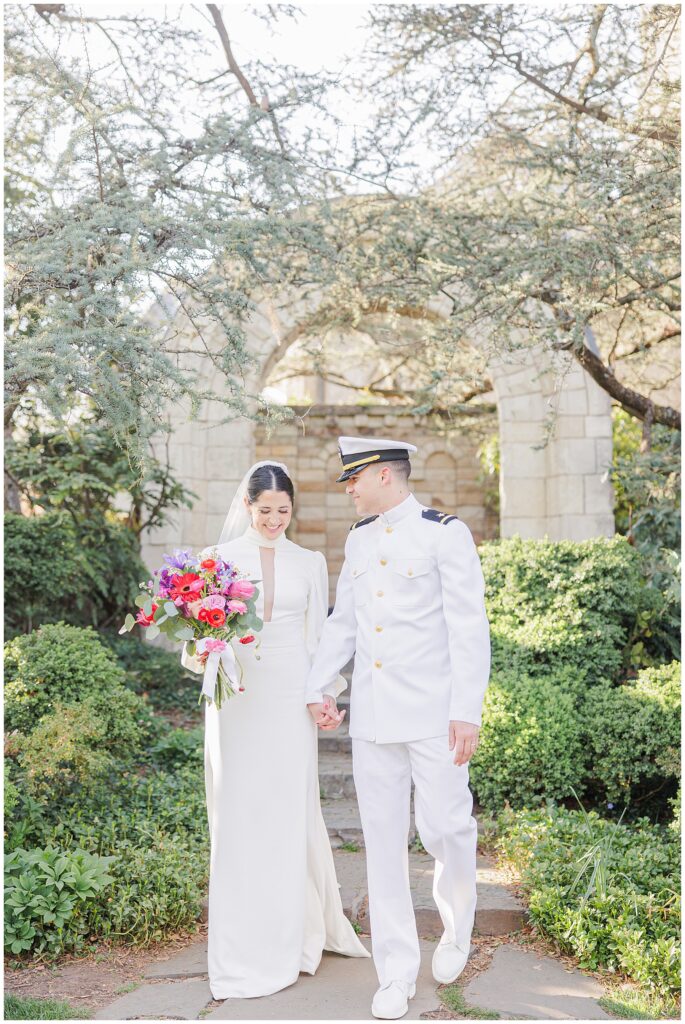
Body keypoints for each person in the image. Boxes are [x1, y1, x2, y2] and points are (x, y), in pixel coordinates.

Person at [305, 437, 491, 1020]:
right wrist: (322, 687)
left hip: (436, 716)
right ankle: (395, 972)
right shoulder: (358, 540)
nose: (349, 489)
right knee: (382, 845)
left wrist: (468, 710)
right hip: (376, 719)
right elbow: (345, 623)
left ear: (384, 475)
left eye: (354, 480)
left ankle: (458, 928)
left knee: (446, 829)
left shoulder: (444, 533)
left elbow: (468, 627)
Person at [182, 460, 369, 1000]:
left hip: (289, 693)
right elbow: (194, 639)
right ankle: (242, 943)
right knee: (241, 809)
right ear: (247, 506)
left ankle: (293, 936)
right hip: (237, 694)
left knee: (287, 808)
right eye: (266, 511)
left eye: (284, 511)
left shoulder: (309, 562)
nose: (275, 520)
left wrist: (326, 694)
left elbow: (321, 636)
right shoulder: (215, 561)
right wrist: (204, 649)